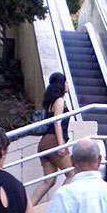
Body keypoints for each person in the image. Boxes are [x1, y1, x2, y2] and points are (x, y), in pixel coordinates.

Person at [31, 72, 74, 206]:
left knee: (49, 181)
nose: (67, 85)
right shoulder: (60, 101)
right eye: (65, 82)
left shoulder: (51, 102)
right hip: (53, 142)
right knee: (73, 174)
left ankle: (28, 208)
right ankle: (57, 204)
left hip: (44, 143)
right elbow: (57, 123)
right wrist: (61, 145)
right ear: (61, 84)